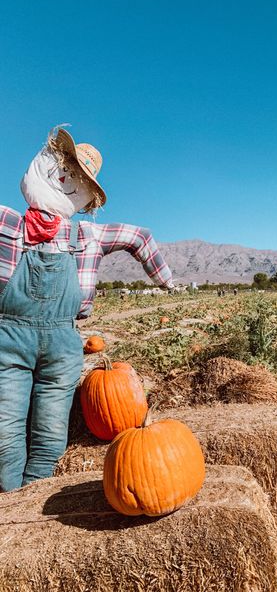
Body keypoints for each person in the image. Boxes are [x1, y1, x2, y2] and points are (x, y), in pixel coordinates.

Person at [0, 127, 173, 492]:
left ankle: (30, 501)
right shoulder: (6, 222)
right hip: (7, 339)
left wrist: (166, 280)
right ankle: (8, 503)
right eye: (64, 168)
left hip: (63, 343)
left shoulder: (86, 235)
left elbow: (139, 237)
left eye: (79, 178)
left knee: (49, 435)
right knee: (4, 432)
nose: (67, 179)